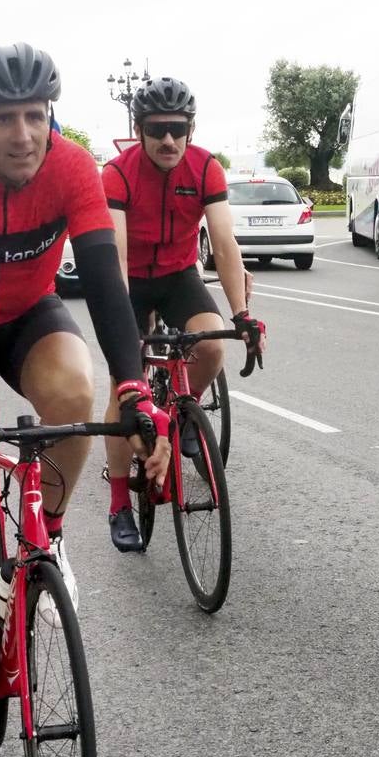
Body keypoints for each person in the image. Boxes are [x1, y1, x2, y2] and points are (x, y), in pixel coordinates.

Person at [0, 42, 170, 757]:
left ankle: (45, 534)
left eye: (36, 115)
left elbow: (109, 289)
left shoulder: (72, 166)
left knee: (75, 395)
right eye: (5, 119)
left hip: (27, 317)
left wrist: (136, 386)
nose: (25, 134)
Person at [100, 76, 266, 552]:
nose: (168, 139)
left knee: (212, 342)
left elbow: (224, 241)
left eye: (178, 128)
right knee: (122, 387)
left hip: (176, 274)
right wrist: (127, 339)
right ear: (139, 128)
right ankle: (118, 502)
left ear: (191, 128)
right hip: (128, 279)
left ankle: (181, 415)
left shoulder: (206, 167)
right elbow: (116, 253)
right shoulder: (118, 174)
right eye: (157, 129)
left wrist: (242, 313)